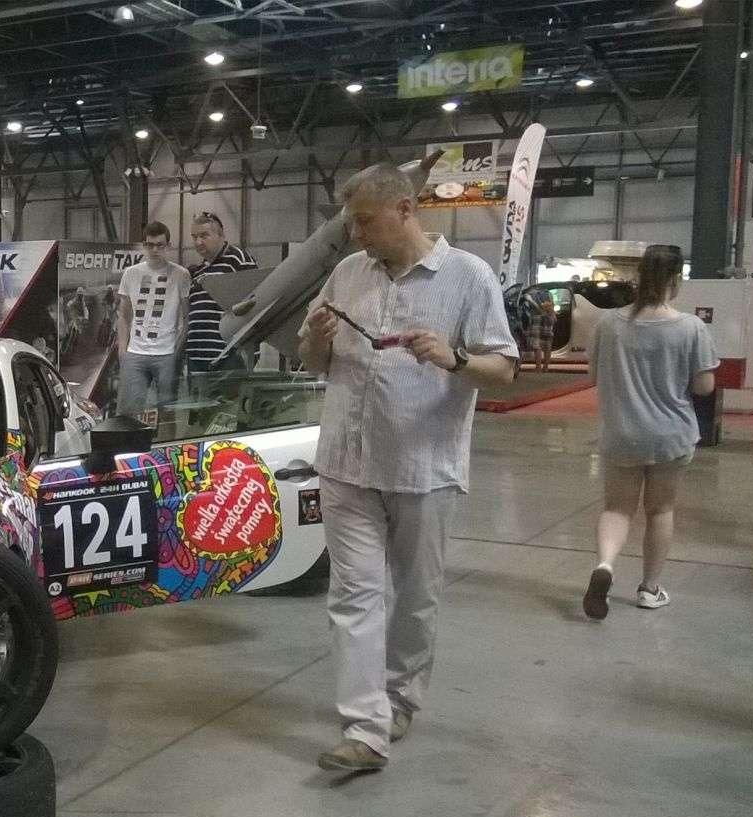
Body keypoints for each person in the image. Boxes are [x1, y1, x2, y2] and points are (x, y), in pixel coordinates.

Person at [296, 163, 519, 772]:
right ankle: (365, 729)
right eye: (351, 223)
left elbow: (504, 368)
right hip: (346, 463)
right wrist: (316, 338)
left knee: (416, 598)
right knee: (355, 594)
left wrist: (454, 358)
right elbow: (314, 360)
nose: (356, 234)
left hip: (424, 468)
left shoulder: (468, 277)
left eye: (365, 221)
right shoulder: (347, 273)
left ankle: (400, 699)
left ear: (405, 209)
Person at [581, 245, 718, 620]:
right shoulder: (691, 327)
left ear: (638, 276)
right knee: (660, 510)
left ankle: (605, 566)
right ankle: (649, 589)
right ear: (676, 279)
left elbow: (593, 376)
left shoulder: (608, 324)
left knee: (616, 508)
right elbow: (704, 386)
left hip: (621, 433)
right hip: (670, 436)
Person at [116, 221, 192, 419]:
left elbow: (187, 316)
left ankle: (165, 441)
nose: (155, 250)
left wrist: (176, 350)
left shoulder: (181, 275)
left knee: (167, 413)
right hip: (135, 352)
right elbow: (123, 315)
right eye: (150, 245)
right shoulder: (131, 273)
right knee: (128, 413)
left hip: (166, 353)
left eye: (160, 245)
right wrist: (123, 350)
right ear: (144, 245)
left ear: (168, 246)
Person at [185, 211, 258, 391]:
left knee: (228, 407)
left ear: (221, 235)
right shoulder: (199, 271)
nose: (198, 242)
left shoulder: (239, 260)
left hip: (228, 358)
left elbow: (257, 302)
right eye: (194, 237)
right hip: (197, 359)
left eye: (204, 235)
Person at [530, 292, 557, 372]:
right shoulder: (549, 294)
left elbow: (539, 309)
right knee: (547, 348)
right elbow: (554, 318)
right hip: (548, 324)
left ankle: (538, 367)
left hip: (538, 322)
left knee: (537, 347)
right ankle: (546, 367)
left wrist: (531, 300)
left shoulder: (532, 295)